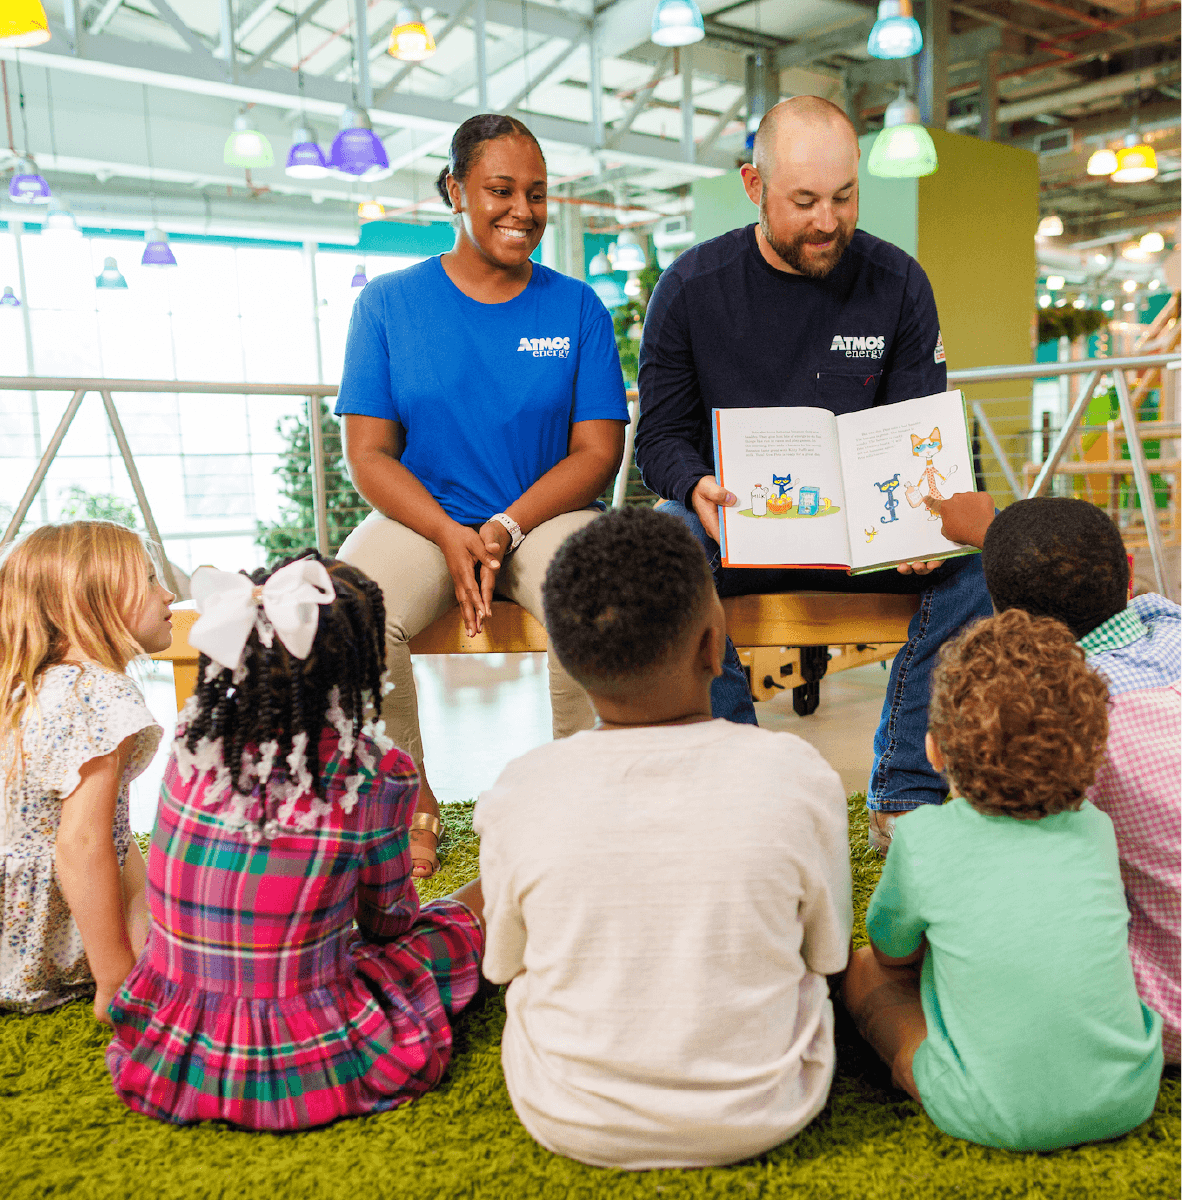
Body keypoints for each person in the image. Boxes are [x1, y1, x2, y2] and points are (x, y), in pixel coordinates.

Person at [634, 95, 992, 851]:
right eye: (804, 202)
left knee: (981, 560)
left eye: (843, 197)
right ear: (753, 185)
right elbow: (659, 439)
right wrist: (694, 483)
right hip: (736, 532)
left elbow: (913, 435)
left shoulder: (898, 282)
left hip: (866, 537)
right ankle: (742, 780)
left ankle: (903, 790)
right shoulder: (691, 288)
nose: (827, 221)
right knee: (666, 544)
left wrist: (927, 519)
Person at [474, 507, 852, 1169]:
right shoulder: (796, 773)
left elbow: (502, 966)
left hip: (566, 1115)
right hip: (768, 1110)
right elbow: (829, 955)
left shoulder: (519, 790)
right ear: (715, 646)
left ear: (562, 653)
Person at [334, 114, 629, 879]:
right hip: (422, 518)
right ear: (455, 191)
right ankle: (406, 800)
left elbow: (598, 451)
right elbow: (367, 454)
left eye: (537, 194)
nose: (522, 211)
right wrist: (446, 530)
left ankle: (584, 796)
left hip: (545, 515)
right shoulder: (389, 305)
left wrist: (503, 525)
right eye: (501, 190)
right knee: (350, 608)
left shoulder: (577, 309)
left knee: (594, 595)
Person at [105, 552, 486, 1129]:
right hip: (302, 1042)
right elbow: (389, 923)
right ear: (357, 662)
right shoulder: (377, 771)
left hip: (177, 1036)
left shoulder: (192, 740)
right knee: (450, 925)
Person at [842, 608, 1164, 1151]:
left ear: (936, 748)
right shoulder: (1096, 829)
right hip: (1130, 1093)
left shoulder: (923, 840)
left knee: (862, 972)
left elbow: (892, 951)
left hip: (988, 1112)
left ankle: (909, 1067)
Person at [932, 491, 1181, 1064]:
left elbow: (1009, 885)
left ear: (1001, 619)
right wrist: (990, 534)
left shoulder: (1060, 725)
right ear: (1130, 575)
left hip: (1157, 1012)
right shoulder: (1169, 625)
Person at [0, 521, 171, 1016]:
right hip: (28, 953)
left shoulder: (37, 685)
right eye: (149, 580)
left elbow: (113, 833)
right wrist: (115, 973)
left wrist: (142, 913)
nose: (169, 594)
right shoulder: (96, 694)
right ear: (89, 604)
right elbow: (81, 844)